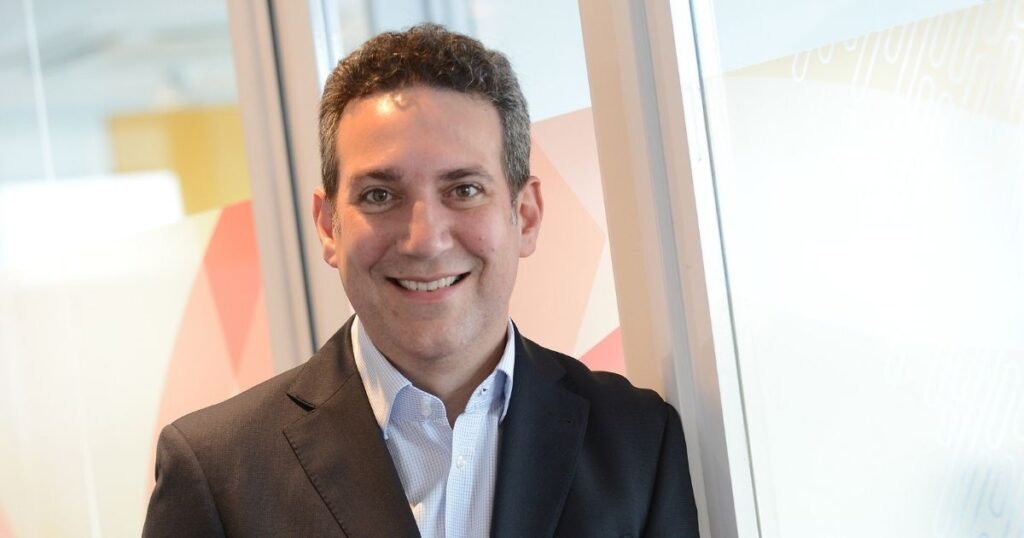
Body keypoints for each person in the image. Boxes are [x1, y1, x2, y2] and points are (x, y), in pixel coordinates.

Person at [143, 23, 698, 537]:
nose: (424, 239)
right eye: (379, 195)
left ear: (525, 216)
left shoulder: (637, 441)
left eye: (464, 190)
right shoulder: (218, 473)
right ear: (329, 226)